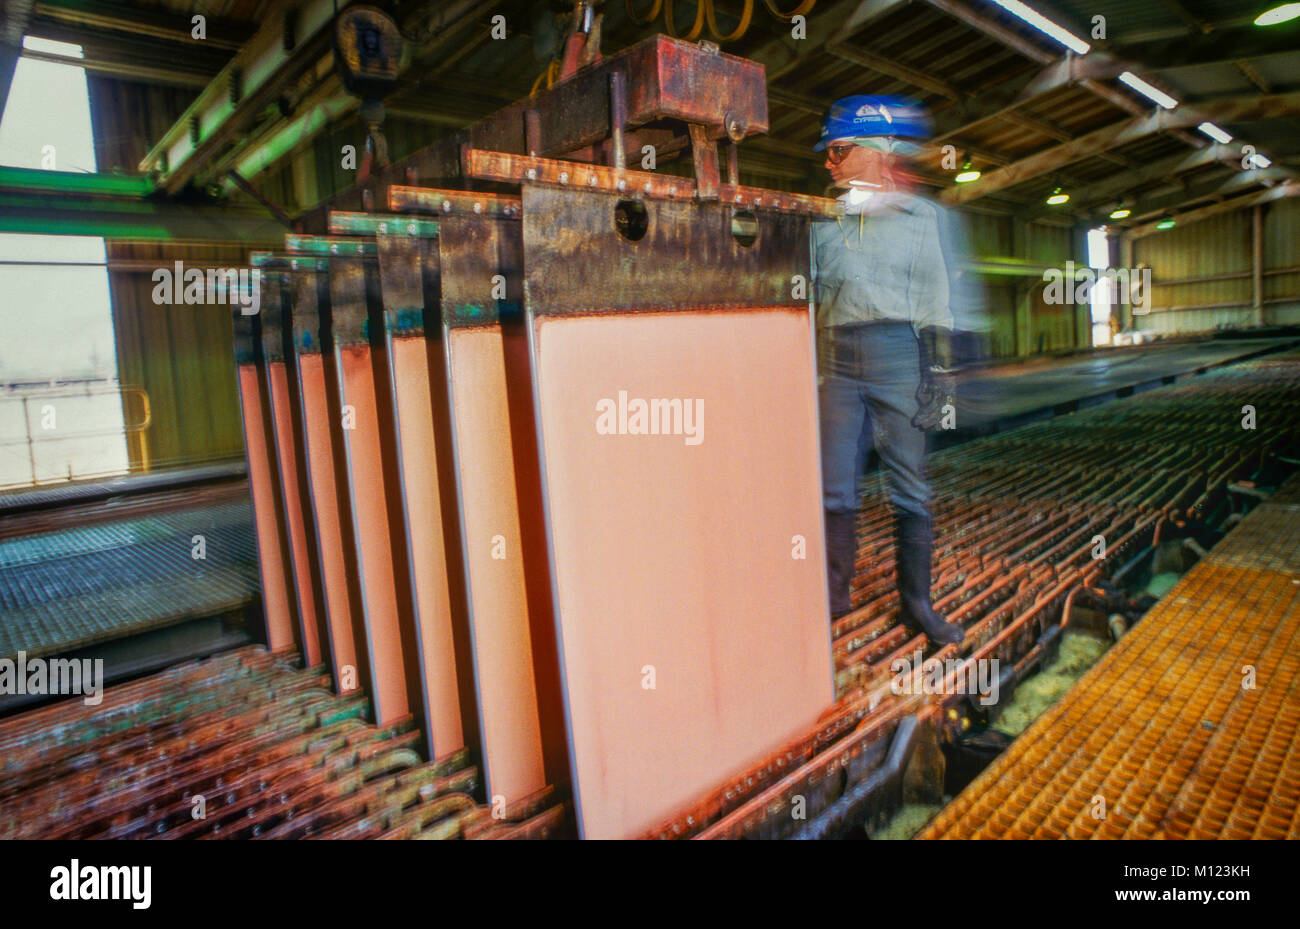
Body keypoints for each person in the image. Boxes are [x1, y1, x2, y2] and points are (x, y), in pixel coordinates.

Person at [812, 94, 965, 646]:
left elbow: (933, 296)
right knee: (833, 488)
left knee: (910, 488)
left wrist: (938, 372)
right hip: (837, 359)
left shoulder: (919, 219)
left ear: (876, 152)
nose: (828, 162)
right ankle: (832, 600)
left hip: (899, 353)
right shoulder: (822, 221)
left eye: (839, 150)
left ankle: (918, 607)